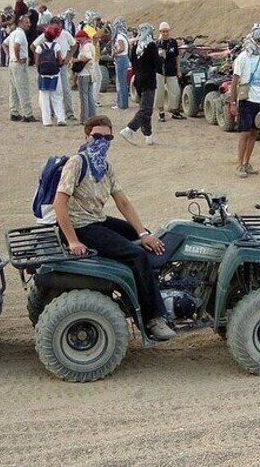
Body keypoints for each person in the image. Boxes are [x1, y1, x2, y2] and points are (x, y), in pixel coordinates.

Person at [53, 115, 176, 340]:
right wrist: (72, 240)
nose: (101, 142)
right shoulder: (77, 163)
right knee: (137, 255)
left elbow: (123, 202)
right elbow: (59, 203)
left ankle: (147, 286)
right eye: (96, 136)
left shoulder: (105, 167)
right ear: (86, 136)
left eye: (107, 137)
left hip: (96, 220)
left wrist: (143, 233)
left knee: (143, 239)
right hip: (81, 227)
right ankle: (153, 318)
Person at [229, 26, 260, 178]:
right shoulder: (243, 58)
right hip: (246, 99)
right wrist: (233, 102)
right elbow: (235, 81)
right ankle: (240, 164)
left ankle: (247, 162)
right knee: (244, 132)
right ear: (254, 41)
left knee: (254, 133)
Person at [121, 23, 161, 146]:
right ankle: (129, 129)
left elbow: (133, 63)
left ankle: (148, 136)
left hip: (138, 80)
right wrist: (162, 57)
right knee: (146, 109)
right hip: (149, 80)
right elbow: (158, 66)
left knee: (145, 109)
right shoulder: (151, 45)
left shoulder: (136, 45)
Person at [33, 24, 67, 126]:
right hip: (55, 75)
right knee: (57, 97)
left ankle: (46, 121)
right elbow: (60, 60)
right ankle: (60, 118)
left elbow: (37, 62)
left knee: (44, 98)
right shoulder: (56, 46)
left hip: (43, 75)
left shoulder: (40, 47)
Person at [5, 15, 36, 122]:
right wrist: (18, 58)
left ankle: (14, 112)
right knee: (23, 88)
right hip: (19, 64)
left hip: (12, 63)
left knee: (13, 89)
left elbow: (5, 44)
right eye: (27, 22)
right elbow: (16, 46)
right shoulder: (20, 34)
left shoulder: (13, 33)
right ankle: (27, 114)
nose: (29, 25)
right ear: (21, 23)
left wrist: (10, 55)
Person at [154, 21, 184, 121]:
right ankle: (161, 113)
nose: (165, 33)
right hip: (160, 71)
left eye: (167, 31)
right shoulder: (157, 43)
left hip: (171, 70)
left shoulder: (173, 42)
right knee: (160, 92)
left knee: (175, 91)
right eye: (163, 32)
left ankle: (174, 111)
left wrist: (178, 70)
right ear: (160, 32)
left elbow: (177, 57)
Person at [73, 29, 97, 123]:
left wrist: (76, 60)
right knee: (90, 96)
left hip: (84, 73)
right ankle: (92, 116)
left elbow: (87, 57)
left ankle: (84, 118)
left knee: (84, 97)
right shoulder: (91, 45)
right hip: (90, 73)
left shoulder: (86, 46)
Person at [111, 17, 130, 110]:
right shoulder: (124, 35)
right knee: (122, 82)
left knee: (121, 82)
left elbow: (121, 48)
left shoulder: (119, 37)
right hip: (124, 59)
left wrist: (114, 52)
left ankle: (121, 104)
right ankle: (123, 103)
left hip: (121, 59)